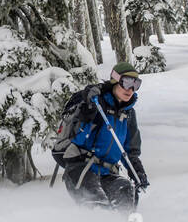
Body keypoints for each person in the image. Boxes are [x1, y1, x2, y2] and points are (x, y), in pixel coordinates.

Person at [54, 62, 150, 211]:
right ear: (115, 80)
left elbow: (129, 151)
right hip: (81, 169)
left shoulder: (128, 115)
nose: (131, 89)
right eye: (127, 82)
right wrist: (89, 112)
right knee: (98, 203)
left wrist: (137, 172)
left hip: (108, 173)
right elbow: (77, 139)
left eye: (136, 84)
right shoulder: (95, 103)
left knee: (127, 193)